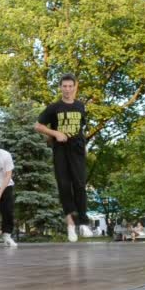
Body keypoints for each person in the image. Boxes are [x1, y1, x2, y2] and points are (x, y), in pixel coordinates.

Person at [34, 73, 88, 242]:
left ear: (74, 87)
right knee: (64, 185)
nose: (67, 89)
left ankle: (83, 223)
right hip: (61, 150)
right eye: (64, 86)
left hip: (77, 150)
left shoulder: (80, 106)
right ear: (60, 88)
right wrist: (55, 133)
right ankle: (70, 225)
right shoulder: (54, 107)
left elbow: (81, 128)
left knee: (79, 185)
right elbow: (38, 126)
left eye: (70, 86)